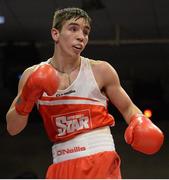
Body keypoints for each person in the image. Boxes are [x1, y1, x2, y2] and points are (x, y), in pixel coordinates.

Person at [6, 7, 164, 179]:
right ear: (55, 34)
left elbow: (128, 108)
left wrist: (139, 120)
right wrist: (29, 93)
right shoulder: (32, 75)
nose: (81, 36)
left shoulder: (100, 70)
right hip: (61, 164)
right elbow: (13, 128)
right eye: (73, 29)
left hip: (100, 160)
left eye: (85, 31)